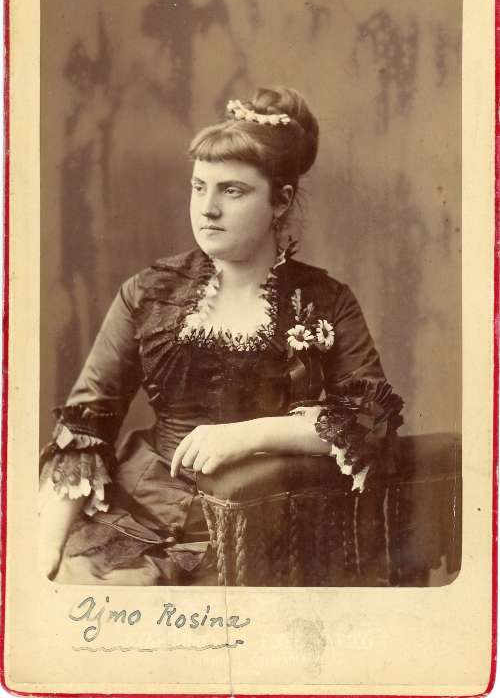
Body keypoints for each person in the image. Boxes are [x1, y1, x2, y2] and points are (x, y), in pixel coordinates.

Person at [39, 87, 404, 585]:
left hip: (269, 533)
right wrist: (46, 551)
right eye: (199, 187)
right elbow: (86, 426)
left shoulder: (326, 300)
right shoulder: (148, 293)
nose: (207, 209)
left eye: (232, 191)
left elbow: (369, 422)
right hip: (136, 525)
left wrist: (246, 435)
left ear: (281, 201)